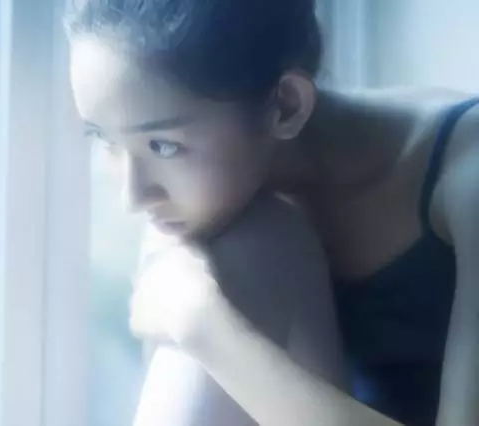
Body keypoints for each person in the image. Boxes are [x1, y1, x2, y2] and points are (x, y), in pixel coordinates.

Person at [64, 0, 479, 424]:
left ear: (287, 105)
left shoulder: (467, 171)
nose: (133, 197)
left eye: (163, 145)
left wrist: (205, 327)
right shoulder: (220, 202)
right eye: (106, 140)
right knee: (242, 243)